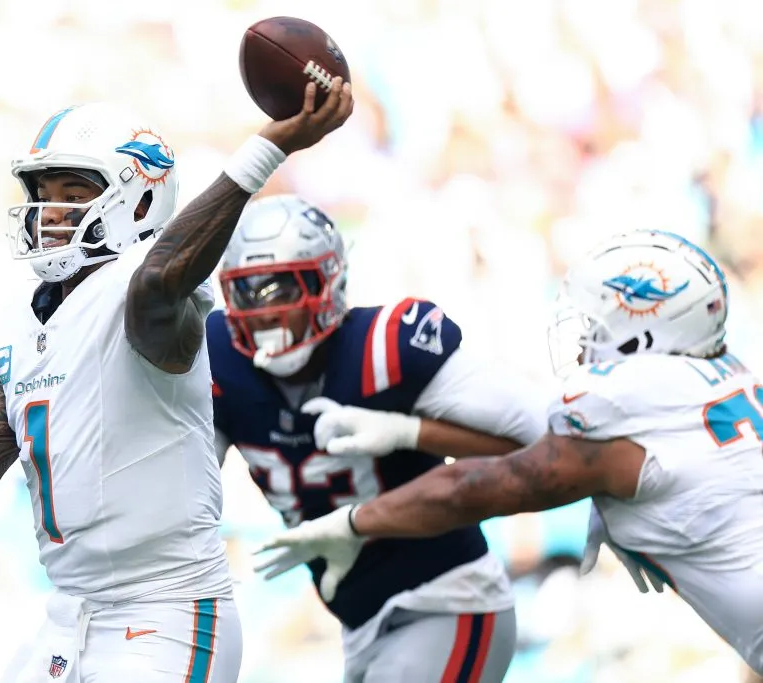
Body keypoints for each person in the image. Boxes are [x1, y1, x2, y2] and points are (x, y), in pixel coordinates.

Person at [0, 79, 354, 683]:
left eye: (74, 192)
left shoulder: (147, 292)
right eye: (43, 192)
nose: (50, 211)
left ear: (140, 201)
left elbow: (156, 282)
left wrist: (266, 148)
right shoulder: (17, 318)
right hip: (67, 614)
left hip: (166, 610)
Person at [255, 229, 763, 675]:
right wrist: (410, 433)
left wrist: (353, 523)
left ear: (644, 333)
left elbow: (469, 492)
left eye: (597, 326)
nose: (584, 341)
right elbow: (546, 445)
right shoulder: (721, 375)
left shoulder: (620, 401)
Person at [209, 195, 549, 682]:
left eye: (281, 289)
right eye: (247, 294)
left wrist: (408, 431)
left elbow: (544, 437)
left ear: (327, 280)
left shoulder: (387, 346)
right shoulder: (219, 356)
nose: (264, 312)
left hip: (447, 600)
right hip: (361, 620)